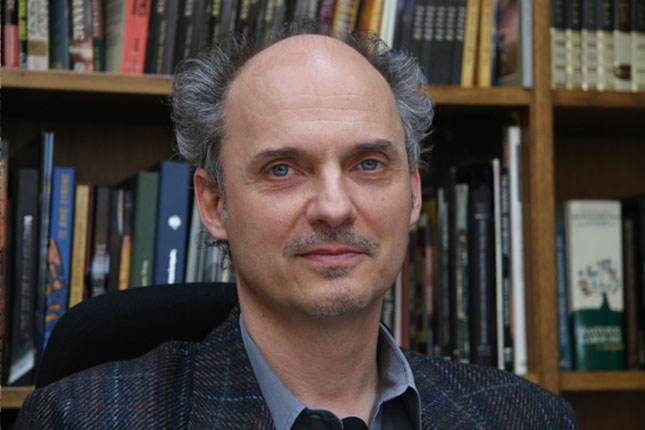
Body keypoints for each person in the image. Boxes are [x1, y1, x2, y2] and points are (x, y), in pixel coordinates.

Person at [16, 22, 577, 429]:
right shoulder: (81, 419)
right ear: (213, 204)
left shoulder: (529, 418)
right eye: (282, 169)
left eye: (369, 164)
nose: (333, 207)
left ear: (412, 193)